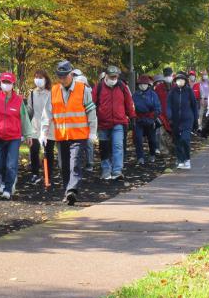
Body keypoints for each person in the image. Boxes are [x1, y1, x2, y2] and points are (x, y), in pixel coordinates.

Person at [40, 60, 97, 205]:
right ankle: (68, 192)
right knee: (63, 165)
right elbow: (47, 114)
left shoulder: (83, 89)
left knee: (75, 163)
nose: (62, 79)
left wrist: (92, 132)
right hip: (62, 135)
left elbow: (91, 112)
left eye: (65, 76)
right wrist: (43, 133)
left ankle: (72, 189)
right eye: (60, 76)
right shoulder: (54, 91)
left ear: (71, 74)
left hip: (79, 135)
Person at [0, 72, 34, 200]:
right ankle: (4, 182)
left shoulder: (19, 100)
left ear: (13, 84)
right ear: (1, 83)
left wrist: (28, 135)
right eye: (4, 82)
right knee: (0, 165)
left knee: (11, 164)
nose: (6, 85)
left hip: (14, 137)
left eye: (8, 83)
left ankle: (8, 189)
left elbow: (25, 118)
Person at [92, 65, 136, 180]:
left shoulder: (122, 86)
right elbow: (92, 104)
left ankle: (117, 170)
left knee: (118, 145)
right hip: (102, 123)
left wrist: (132, 117)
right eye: (111, 77)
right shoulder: (99, 87)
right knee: (104, 147)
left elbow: (128, 102)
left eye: (116, 77)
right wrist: (92, 119)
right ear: (106, 76)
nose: (113, 79)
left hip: (118, 122)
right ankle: (106, 170)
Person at [166, 71, 199, 169]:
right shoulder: (172, 92)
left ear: (185, 81)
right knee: (177, 141)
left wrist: (196, 119)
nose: (180, 81)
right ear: (175, 81)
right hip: (175, 120)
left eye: (182, 80)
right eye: (178, 80)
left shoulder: (189, 91)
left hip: (187, 119)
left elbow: (194, 105)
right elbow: (168, 105)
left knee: (185, 139)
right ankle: (180, 159)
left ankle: (187, 159)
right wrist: (169, 116)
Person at [27, 70, 55, 185]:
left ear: (46, 78)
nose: (38, 79)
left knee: (48, 151)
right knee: (34, 150)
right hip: (35, 125)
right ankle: (35, 173)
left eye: (40, 77)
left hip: (49, 126)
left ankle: (49, 174)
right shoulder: (32, 94)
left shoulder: (51, 93)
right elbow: (29, 110)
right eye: (36, 77)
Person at [132, 75, 161, 165]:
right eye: (140, 84)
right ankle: (140, 157)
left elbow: (158, 108)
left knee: (152, 139)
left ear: (148, 85)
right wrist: (133, 116)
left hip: (150, 120)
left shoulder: (153, 95)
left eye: (144, 84)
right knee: (138, 139)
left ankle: (152, 154)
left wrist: (153, 117)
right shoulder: (135, 95)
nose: (142, 85)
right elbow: (131, 107)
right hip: (139, 120)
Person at [153, 67, 174, 156]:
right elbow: (155, 101)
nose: (168, 77)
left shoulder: (176, 87)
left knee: (173, 134)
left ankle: (173, 150)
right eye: (166, 75)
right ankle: (164, 152)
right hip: (162, 115)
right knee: (161, 134)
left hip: (174, 116)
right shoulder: (158, 88)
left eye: (169, 75)